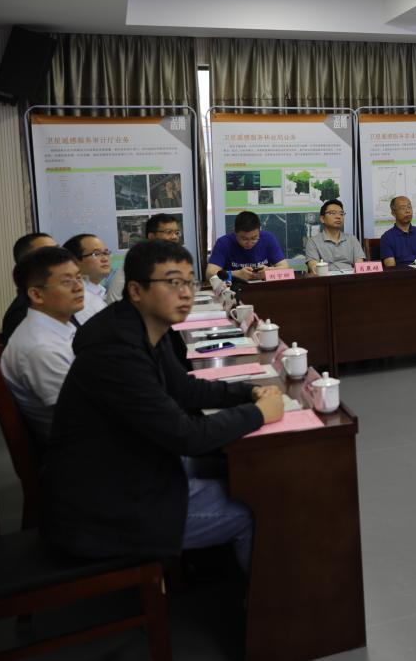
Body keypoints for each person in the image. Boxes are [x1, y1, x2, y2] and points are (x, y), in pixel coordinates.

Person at [41, 240, 283, 572]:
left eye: (188, 282)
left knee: (243, 471)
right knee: (257, 506)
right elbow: (186, 436)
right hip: (104, 509)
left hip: (132, 468)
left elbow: (185, 390)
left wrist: (249, 392)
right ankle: (266, 605)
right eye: (172, 283)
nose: (185, 293)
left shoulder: (142, 325)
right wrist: (258, 413)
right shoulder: (116, 353)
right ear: (136, 290)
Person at [0, 246, 84, 440]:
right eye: (66, 281)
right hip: (81, 445)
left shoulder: (59, 326)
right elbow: (82, 412)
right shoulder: (40, 349)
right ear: (37, 295)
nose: (79, 287)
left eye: (79, 278)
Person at [105, 213, 182, 302]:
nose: (174, 237)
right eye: (169, 232)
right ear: (152, 237)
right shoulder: (142, 258)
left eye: (177, 233)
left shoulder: (161, 257)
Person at [0, 232, 58, 344]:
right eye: (50, 253)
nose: (61, 257)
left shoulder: (53, 300)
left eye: (58, 250)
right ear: (27, 264)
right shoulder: (22, 313)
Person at [205, 211, 289, 281]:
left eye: (254, 238)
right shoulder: (223, 243)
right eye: (244, 239)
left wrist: (269, 272)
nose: (249, 243)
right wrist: (236, 274)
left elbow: (286, 269)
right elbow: (209, 275)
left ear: (259, 230)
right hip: (233, 289)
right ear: (235, 231)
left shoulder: (268, 239)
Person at [304, 199, 365, 274]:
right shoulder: (313, 241)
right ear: (322, 219)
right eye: (333, 213)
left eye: (341, 214)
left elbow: (360, 266)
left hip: (350, 278)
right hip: (326, 279)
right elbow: (313, 267)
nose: (338, 216)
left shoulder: (352, 239)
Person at [63, 233, 112, 325]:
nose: (105, 259)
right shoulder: (78, 298)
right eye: (96, 254)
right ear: (74, 261)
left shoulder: (98, 291)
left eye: (106, 253)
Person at [379, 196, 416, 267]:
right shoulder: (386, 238)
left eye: (409, 207)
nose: (407, 211)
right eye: (403, 208)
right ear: (393, 212)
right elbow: (390, 267)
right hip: (401, 273)